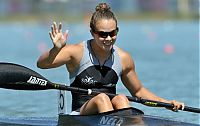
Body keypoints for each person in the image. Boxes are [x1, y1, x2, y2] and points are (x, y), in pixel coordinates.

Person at [37, 3, 184, 115]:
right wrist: (56, 49)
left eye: (112, 33)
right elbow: (42, 64)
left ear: (117, 31)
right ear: (92, 33)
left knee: (121, 98)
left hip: (111, 115)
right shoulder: (76, 52)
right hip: (80, 115)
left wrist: (167, 103)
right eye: (102, 34)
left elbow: (139, 91)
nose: (108, 38)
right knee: (102, 98)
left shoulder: (124, 58)